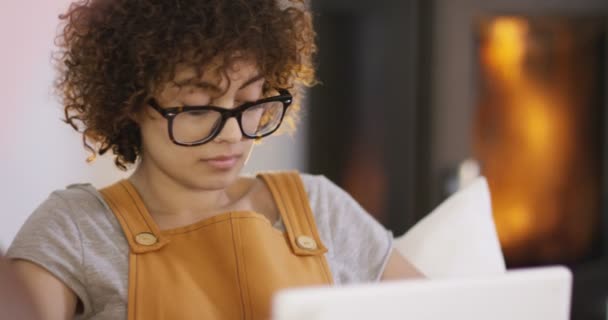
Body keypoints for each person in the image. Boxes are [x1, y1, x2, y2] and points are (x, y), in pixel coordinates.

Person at [6, 0, 424, 319]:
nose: (233, 133)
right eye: (198, 106)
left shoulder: (320, 208)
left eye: (248, 102)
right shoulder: (75, 228)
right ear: (130, 103)